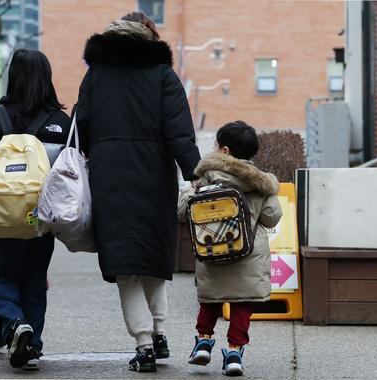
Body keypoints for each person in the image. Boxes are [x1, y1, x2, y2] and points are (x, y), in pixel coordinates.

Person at [75, 11, 201, 372]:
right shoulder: (162, 74)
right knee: (152, 256)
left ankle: (144, 343)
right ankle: (159, 333)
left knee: (125, 263)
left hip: (109, 175)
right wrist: (194, 172)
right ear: (149, 35)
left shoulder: (96, 73)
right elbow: (179, 131)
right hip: (153, 175)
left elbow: (81, 124)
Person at [0, 49, 71, 371]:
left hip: (3, 222)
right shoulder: (61, 125)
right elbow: (70, 179)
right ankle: (31, 344)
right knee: (34, 281)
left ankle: (15, 324)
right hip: (41, 220)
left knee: (3, 277)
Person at [178, 121, 282, 377]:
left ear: (224, 150)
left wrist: (187, 193)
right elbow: (271, 217)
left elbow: (183, 212)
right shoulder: (261, 184)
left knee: (211, 299)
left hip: (211, 249)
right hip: (248, 252)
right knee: (242, 303)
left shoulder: (204, 178)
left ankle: (203, 340)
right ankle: (234, 352)